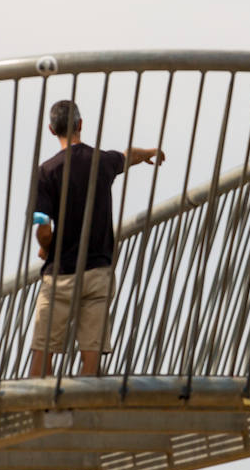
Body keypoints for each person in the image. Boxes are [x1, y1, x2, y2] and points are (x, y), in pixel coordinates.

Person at [29, 100, 164, 377]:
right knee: (91, 358)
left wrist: (47, 248)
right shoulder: (102, 161)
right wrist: (150, 152)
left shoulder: (46, 172)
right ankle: (81, 413)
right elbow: (128, 155)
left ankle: (39, 413)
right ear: (80, 125)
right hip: (98, 272)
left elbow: (42, 228)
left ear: (52, 129)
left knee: (42, 358)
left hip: (60, 275)